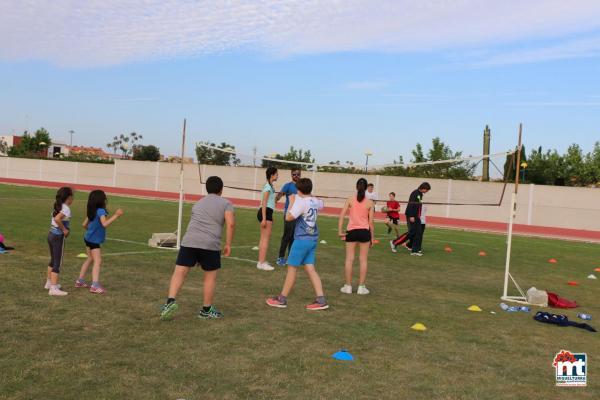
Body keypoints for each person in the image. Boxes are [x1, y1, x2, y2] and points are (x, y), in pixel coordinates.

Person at [160, 176, 235, 320]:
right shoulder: (226, 203)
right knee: (210, 277)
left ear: (207, 188)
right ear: (221, 189)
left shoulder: (198, 203)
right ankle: (206, 310)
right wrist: (228, 244)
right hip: (210, 244)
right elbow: (231, 223)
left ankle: (170, 301)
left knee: (179, 273)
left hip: (189, 241)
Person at [266, 178, 329, 310]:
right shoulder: (315, 202)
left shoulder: (301, 202)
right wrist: (309, 195)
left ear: (298, 190)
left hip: (301, 240)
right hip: (312, 240)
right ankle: (321, 299)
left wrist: (292, 202)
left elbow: (288, 217)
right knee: (310, 269)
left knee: (292, 269)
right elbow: (322, 203)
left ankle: (282, 299)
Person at [75, 190, 124, 293]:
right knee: (98, 260)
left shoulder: (92, 210)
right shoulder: (101, 211)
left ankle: (80, 281)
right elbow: (104, 224)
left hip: (87, 238)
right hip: (93, 241)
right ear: (102, 200)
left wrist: (91, 231)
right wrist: (116, 215)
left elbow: (84, 224)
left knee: (90, 259)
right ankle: (95, 285)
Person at [338, 178, 375, 295]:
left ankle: (348, 286)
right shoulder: (370, 203)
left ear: (356, 187)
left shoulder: (350, 199)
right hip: (364, 232)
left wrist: (340, 231)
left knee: (349, 259)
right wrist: (372, 238)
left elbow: (342, 215)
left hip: (352, 232)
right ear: (366, 188)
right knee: (363, 260)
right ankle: (361, 287)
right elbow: (371, 223)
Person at [45, 187, 74, 296]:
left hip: (51, 235)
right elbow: (57, 219)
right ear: (69, 197)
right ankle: (53, 288)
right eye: (72, 197)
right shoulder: (66, 208)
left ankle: (49, 283)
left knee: (52, 260)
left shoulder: (57, 205)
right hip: (57, 237)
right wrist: (64, 230)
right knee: (58, 262)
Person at [390, 182, 431, 256]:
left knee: (418, 233)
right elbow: (411, 204)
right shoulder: (415, 193)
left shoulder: (420, 194)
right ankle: (394, 242)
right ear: (424, 188)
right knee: (412, 232)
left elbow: (418, 206)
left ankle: (415, 251)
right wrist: (411, 216)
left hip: (417, 216)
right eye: (427, 190)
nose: (427, 191)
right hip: (412, 216)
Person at [275, 169, 301, 266]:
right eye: (294, 174)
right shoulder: (288, 185)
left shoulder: (301, 186)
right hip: (289, 214)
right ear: (291, 175)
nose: (296, 176)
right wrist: (275, 200)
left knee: (294, 237)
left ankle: (291, 258)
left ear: (300, 175)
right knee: (287, 236)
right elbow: (280, 195)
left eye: (298, 174)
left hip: (298, 216)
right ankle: (281, 257)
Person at [256, 167, 278, 271]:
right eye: (276, 174)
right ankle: (262, 263)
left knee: (263, 238)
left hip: (268, 212)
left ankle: (261, 261)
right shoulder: (268, 188)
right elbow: (264, 202)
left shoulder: (270, 186)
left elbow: (269, 202)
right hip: (265, 213)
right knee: (265, 239)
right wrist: (265, 218)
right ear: (272, 175)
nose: (277, 176)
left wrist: (270, 216)